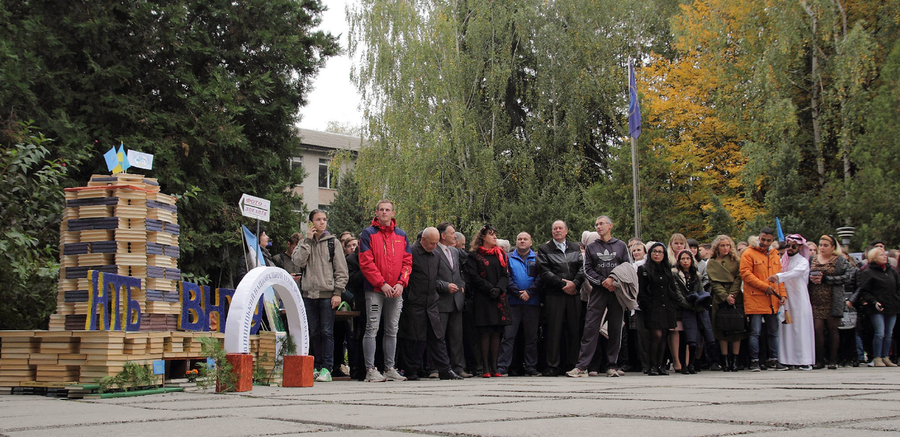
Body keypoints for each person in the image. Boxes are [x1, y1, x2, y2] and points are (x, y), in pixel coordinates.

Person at [566, 216, 630, 378]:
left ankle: (611, 366)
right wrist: (603, 281)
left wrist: (614, 280)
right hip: (598, 292)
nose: (598, 226)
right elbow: (587, 269)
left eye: (601, 224)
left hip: (616, 292)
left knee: (615, 329)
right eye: (596, 224)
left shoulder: (621, 245)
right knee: (590, 328)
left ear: (610, 226)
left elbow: (626, 267)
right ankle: (582, 367)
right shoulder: (591, 247)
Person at [291, 209, 349, 382]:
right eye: (318, 220)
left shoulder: (333, 243)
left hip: (327, 294)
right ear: (311, 223)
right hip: (309, 294)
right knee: (313, 331)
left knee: (327, 331)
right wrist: (307, 240)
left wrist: (338, 292)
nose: (322, 222)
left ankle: (327, 367)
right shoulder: (304, 242)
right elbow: (297, 262)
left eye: (324, 219)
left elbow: (341, 270)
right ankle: (316, 365)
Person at [358, 200, 413, 382]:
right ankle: (370, 370)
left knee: (392, 330)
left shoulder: (401, 235)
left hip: (396, 290)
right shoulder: (368, 234)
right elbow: (366, 262)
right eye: (381, 210)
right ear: (376, 212)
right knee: (372, 328)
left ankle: (389, 368)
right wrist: (381, 283)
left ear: (392, 213)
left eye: (387, 210)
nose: (384, 212)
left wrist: (401, 283)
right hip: (375, 290)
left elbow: (407, 262)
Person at [397, 228, 463, 380]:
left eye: (436, 243)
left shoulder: (436, 255)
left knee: (437, 338)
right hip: (414, 302)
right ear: (423, 239)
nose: (434, 246)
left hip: (431, 302)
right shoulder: (411, 252)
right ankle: (411, 370)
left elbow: (435, 279)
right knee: (412, 338)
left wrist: (444, 286)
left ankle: (445, 369)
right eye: (431, 243)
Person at [538, 220, 585, 377]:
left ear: (566, 231)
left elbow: (582, 268)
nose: (557, 231)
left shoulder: (574, 247)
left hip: (573, 295)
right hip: (554, 295)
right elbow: (545, 272)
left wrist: (575, 284)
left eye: (560, 228)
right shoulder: (544, 249)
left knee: (574, 330)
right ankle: (552, 365)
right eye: (554, 229)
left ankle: (573, 364)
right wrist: (563, 285)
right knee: (553, 331)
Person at [465, 224, 511, 377]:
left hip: (498, 297)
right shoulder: (474, 255)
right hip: (483, 297)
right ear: (483, 237)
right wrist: (489, 289)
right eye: (491, 234)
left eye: (495, 234)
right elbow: (474, 277)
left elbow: (505, 275)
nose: (495, 237)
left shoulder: (501, 254)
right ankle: (484, 367)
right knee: (485, 332)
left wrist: (499, 289)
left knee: (497, 332)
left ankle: (495, 366)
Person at [740, 227, 788, 371]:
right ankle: (755, 360)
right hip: (756, 297)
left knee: (773, 332)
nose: (765, 242)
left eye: (768, 240)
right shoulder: (748, 253)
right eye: (763, 239)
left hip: (772, 299)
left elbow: (780, 277)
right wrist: (764, 286)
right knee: (755, 332)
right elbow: (745, 274)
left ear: (772, 240)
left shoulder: (774, 254)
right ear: (758, 237)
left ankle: (774, 359)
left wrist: (783, 294)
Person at [809, 235, 856, 369]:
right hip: (816, 299)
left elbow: (847, 277)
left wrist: (827, 279)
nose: (822, 248)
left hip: (833, 299)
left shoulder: (839, 260)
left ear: (833, 247)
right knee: (818, 329)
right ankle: (819, 359)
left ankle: (833, 359)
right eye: (821, 245)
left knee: (833, 329)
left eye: (826, 245)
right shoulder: (812, 259)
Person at [637, 242, 684, 375]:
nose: (657, 254)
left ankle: (660, 365)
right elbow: (642, 291)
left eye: (660, 252)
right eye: (654, 251)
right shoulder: (644, 269)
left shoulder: (667, 269)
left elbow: (672, 288)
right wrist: (646, 305)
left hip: (667, 306)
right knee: (656, 335)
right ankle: (652, 365)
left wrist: (674, 302)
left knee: (664, 336)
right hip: (652, 306)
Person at [769, 234, 815, 370]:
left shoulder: (803, 262)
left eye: (793, 246)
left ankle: (804, 360)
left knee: (800, 328)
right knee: (785, 328)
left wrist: (778, 277)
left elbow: (794, 273)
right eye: (788, 245)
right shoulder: (783, 260)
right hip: (785, 298)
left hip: (799, 299)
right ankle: (787, 359)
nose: (790, 248)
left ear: (800, 247)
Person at [499, 232, 541, 377]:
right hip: (513, 302)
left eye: (525, 239)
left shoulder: (537, 258)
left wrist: (529, 292)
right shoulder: (508, 257)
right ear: (516, 242)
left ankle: (531, 367)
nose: (522, 241)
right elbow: (506, 277)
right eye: (519, 239)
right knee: (508, 336)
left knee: (531, 337)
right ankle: (503, 367)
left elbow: (541, 278)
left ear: (531, 242)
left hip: (532, 302)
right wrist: (518, 292)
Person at [435, 222, 470, 378]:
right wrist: (445, 286)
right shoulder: (434, 251)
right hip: (441, 300)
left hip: (456, 300)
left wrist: (461, 284)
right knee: (439, 336)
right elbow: (431, 278)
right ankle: (436, 368)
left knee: (457, 336)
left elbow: (460, 272)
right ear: (443, 236)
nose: (455, 236)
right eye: (452, 233)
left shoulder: (455, 252)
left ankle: (458, 367)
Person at [707, 234, 746, 372]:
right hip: (720, 299)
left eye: (728, 245)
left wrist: (732, 294)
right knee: (721, 329)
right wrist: (725, 296)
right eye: (722, 245)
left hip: (736, 297)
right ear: (717, 247)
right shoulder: (712, 262)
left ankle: (735, 359)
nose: (725, 248)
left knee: (737, 329)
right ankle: (725, 360)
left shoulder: (737, 261)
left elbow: (739, 277)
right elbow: (714, 282)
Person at [857, 247, 900, 367]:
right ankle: (877, 357)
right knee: (879, 332)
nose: (885, 256)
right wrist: (873, 301)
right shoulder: (868, 272)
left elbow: (897, 287)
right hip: (877, 307)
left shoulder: (892, 271)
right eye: (881, 255)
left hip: (892, 305)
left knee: (889, 333)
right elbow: (864, 290)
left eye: (885, 254)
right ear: (874, 258)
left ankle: (886, 356)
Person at [673, 249, 714, 374]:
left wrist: (698, 303)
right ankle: (682, 364)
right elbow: (677, 293)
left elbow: (701, 291)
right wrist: (686, 304)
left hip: (695, 309)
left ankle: (691, 363)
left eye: (688, 258)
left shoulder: (696, 275)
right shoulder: (675, 274)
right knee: (683, 338)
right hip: (682, 310)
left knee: (694, 339)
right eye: (683, 259)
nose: (685, 261)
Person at [666, 233, 689, 372]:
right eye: (676, 243)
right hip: (672, 299)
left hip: (687, 299)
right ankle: (676, 360)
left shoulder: (690, 259)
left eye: (681, 243)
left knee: (687, 330)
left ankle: (686, 361)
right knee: (674, 330)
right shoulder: (668, 260)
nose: (679, 246)